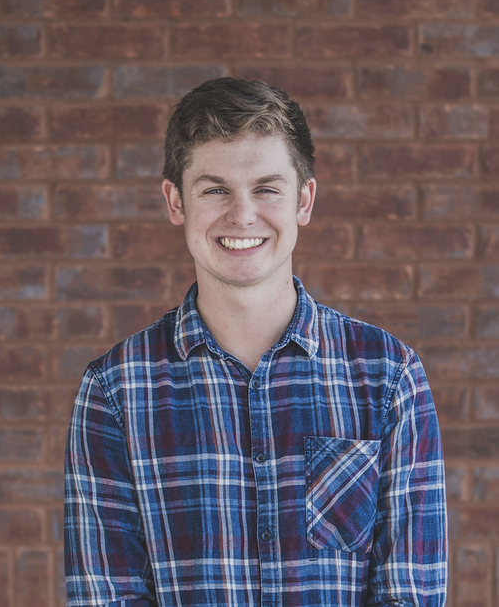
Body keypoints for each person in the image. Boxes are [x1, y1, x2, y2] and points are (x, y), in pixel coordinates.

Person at [64, 77, 448, 607]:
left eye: (267, 188)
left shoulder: (389, 376)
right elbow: (106, 596)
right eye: (214, 189)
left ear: (303, 200)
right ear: (176, 202)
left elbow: (410, 595)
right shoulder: (114, 390)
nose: (242, 214)